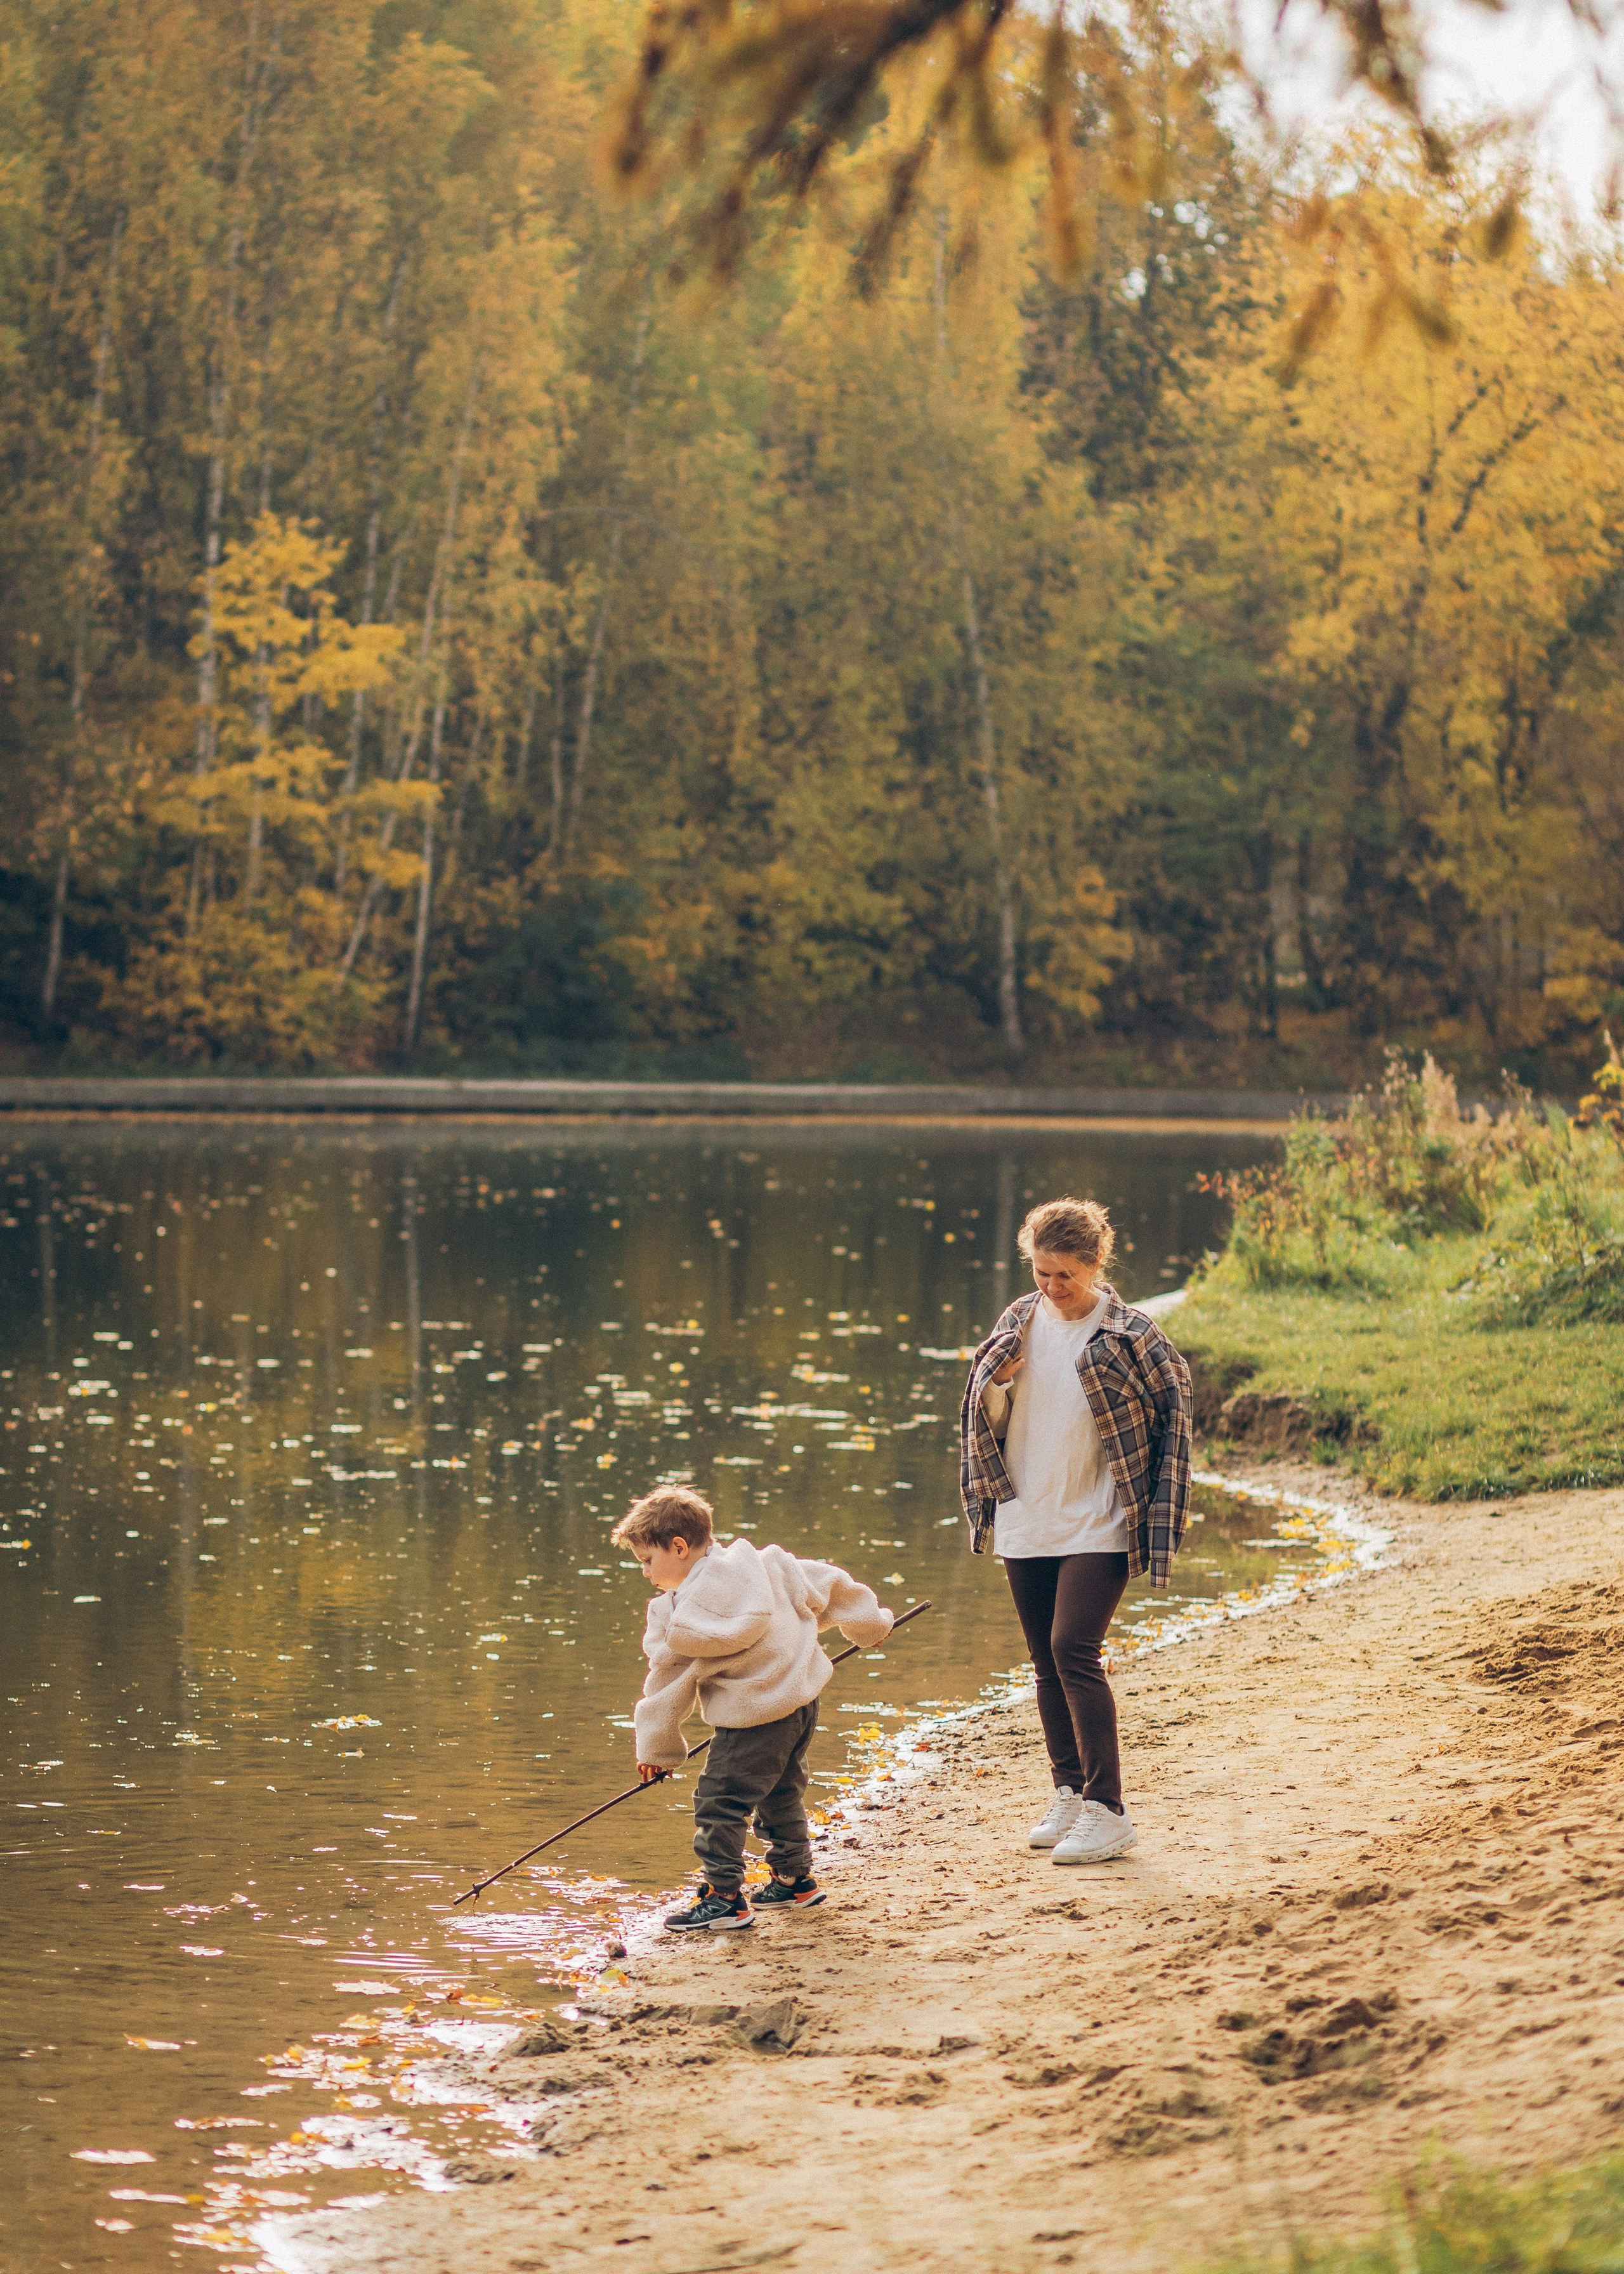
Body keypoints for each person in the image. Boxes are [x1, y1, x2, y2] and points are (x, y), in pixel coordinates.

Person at [959, 1195, 1192, 1865]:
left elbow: (1176, 1420)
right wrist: (996, 1385)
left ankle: (1108, 1807)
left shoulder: (1133, 1333)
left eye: (1066, 1274)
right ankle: (1068, 1789)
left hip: (1100, 1514)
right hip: (1026, 1511)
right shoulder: (1016, 1322)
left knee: (1072, 1649)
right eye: (1041, 1273)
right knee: (1043, 1662)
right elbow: (984, 1420)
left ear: (1095, 1264)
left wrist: (1156, 1515)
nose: (1053, 1288)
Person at [613, 1484, 894, 1931]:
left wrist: (658, 1751)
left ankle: (724, 1897)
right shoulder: (767, 1565)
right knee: (781, 1791)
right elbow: (833, 1586)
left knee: (719, 1802)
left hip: (751, 1720)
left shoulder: (676, 1613)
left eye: (648, 1561)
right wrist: (869, 1627)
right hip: (800, 1705)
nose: (646, 1573)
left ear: (679, 1547)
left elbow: (667, 1685)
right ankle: (793, 1880)